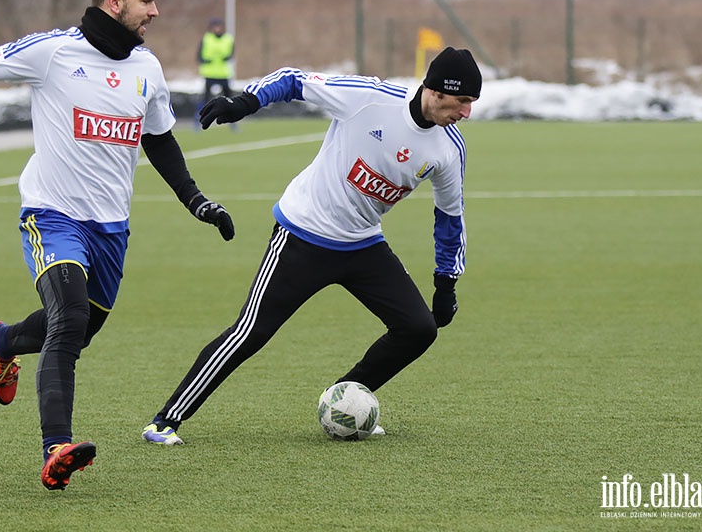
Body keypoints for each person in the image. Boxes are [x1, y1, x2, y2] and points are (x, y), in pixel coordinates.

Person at [0, 0, 235, 490]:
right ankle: (56, 447)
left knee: (80, 330)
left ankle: (2, 343)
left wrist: (196, 200)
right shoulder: (54, 51)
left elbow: (158, 139)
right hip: (52, 213)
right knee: (66, 319)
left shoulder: (147, 69)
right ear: (115, 2)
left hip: (111, 228)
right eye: (147, 0)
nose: (156, 10)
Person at [141, 47, 481, 446]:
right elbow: (293, 80)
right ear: (438, 91)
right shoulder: (368, 98)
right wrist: (245, 101)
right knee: (251, 332)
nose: (467, 113)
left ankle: (345, 398)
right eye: (463, 102)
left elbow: (450, 219)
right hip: (303, 233)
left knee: (419, 329)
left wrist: (446, 283)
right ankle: (166, 420)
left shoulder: (448, 148)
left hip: (363, 245)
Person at [196, 17, 235, 120]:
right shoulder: (206, 39)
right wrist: (205, 60)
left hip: (223, 73)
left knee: (229, 98)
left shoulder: (228, 39)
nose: (217, 28)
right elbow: (199, 56)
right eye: (215, 26)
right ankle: (199, 118)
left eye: (219, 26)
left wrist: (226, 58)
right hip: (209, 73)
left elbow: (231, 54)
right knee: (205, 98)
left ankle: (232, 119)